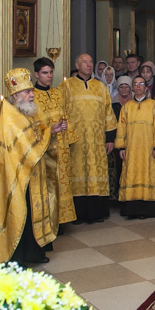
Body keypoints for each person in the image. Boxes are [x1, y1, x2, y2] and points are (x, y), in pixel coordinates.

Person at [0, 68, 64, 264]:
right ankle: (18, 256)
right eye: (27, 92)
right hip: (17, 175)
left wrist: (49, 132)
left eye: (31, 91)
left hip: (32, 172)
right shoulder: (9, 119)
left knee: (31, 212)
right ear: (15, 96)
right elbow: (24, 149)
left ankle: (34, 252)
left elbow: (35, 137)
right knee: (20, 212)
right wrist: (47, 135)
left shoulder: (27, 113)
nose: (32, 95)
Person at [62, 53, 117, 223]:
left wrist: (110, 139)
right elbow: (60, 113)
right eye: (84, 62)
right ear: (77, 66)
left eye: (91, 62)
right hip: (75, 141)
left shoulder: (100, 87)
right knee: (77, 173)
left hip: (97, 140)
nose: (89, 64)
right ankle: (78, 214)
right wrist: (66, 138)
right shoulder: (66, 86)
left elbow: (109, 113)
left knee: (95, 173)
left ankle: (97, 212)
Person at [32, 57, 77, 227]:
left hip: (61, 145)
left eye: (51, 72)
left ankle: (61, 220)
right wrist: (50, 130)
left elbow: (66, 115)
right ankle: (48, 220)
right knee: (48, 184)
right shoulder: (32, 96)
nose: (49, 76)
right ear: (37, 74)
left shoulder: (58, 93)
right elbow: (32, 124)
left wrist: (69, 135)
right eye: (45, 73)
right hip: (45, 148)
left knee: (62, 180)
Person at [116, 76, 155, 219]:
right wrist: (121, 148)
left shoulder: (154, 105)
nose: (138, 86)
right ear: (133, 87)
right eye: (135, 84)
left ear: (146, 87)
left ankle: (148, 210)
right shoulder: (127, 107)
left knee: (148, 174)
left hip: (149, 149)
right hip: (131, 149)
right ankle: (132, 210)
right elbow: (121, 129)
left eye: (141, 84)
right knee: (131, 174)